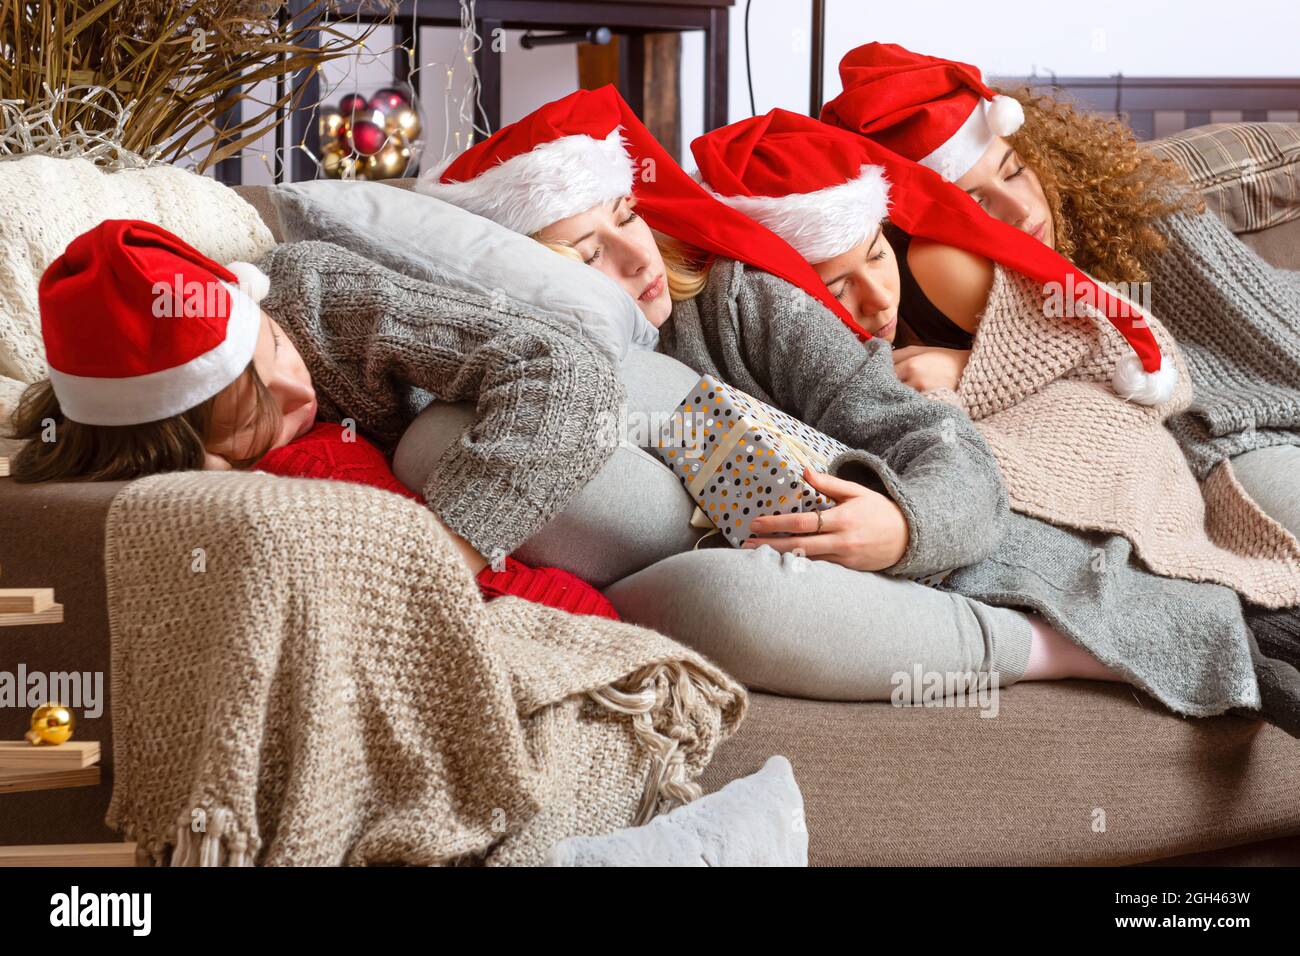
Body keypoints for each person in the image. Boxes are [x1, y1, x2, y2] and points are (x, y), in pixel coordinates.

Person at [416, 86, 1298, 734]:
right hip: (735, 554)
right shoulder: (538, 369)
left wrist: (904, 525)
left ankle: (1073, 641)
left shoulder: (738, 302)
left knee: (729, 571)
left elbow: (936, 440)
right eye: (583, 253)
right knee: (688, 579)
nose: (633, 258)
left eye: (625, 218)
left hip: (903, 537)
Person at [822, 41, 1300, 536]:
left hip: (1242, 404)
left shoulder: (1135, 214)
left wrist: (975, 367)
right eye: (975, 201)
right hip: (1180, 455)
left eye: (1015, 172)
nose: (1021, 209)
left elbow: (1146, 337)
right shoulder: (930, 271)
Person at [7, 218, 624, 586]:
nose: (300, 391)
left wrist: (445, 551)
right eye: (257, 415)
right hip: (574, 514)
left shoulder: (315, 298)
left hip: (610, 407)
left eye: (275, 347)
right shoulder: (150, 452)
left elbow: (566, 373)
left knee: (427, 446)